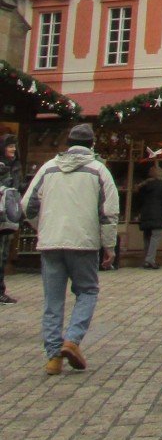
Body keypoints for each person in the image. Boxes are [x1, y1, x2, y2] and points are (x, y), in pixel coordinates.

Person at [20, 122, 119, 375]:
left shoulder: (48, 168)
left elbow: (27, 205)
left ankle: (53, 358)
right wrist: (108, 245)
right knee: (87, 291)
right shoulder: (99, 170)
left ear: (69, 143)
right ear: (92, 144)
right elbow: (109, 212)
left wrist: (43, 226)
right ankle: (72, 340)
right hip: (84, 242)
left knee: (52, 301)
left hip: (51, 241)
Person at [134, 162, 162, 269]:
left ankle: (146, 259)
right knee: (155, 237)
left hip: (145, 214)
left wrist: (138, 212)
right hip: (157, 214)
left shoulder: (144, 185)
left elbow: (139, 200)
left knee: (147, 237)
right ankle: (150, 260)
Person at [0, 131, 23, 303]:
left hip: (10, 215)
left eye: (14, 146)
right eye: (9, 146)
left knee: (4, 254)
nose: (13, 149)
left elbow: (17, 186)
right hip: (1, 213)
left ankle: (1, 289)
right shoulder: (2, 166)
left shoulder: (16, 165)